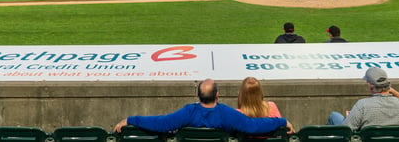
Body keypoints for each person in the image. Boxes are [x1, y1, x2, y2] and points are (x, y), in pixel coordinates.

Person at [113, 79, 294, 135]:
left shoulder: (189, 112)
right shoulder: (227, 113)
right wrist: (282, 121)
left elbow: (161, 123)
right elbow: (255, 126)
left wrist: (131, 119)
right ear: (217, 95)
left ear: (198, 96)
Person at [327, 67, 399, 131]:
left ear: (370, 86)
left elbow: (346, 130)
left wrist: (352, 117)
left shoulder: (362, 105)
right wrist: (392, 91)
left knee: (334, 116)